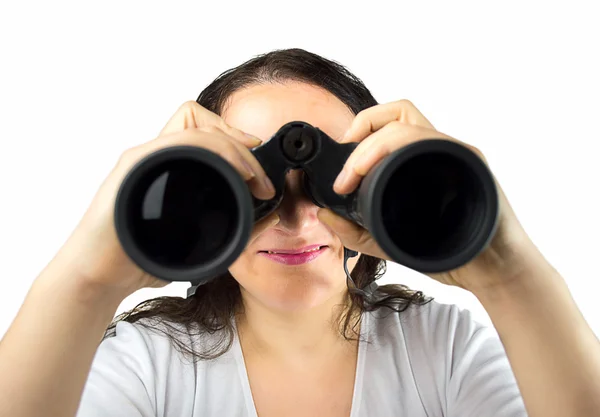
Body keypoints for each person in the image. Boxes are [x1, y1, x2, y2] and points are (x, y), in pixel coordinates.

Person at [0, 48, 599, 417]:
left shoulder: (444, 349)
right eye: (251, 186)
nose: (296, 217)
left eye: (337, 186)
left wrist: (510, 274)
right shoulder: (149, 364)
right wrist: (91, 275)